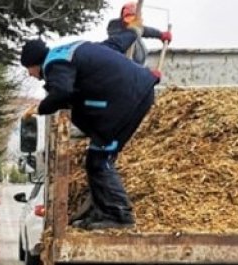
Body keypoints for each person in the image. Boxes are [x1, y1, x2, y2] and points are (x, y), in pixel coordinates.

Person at [19, 35, 158, 230]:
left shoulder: (54, 64)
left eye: (28, 69)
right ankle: (103, 211)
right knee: (99, 159)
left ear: (34, 63)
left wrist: (39, 108)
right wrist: (134, 30)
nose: (30, 74)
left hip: (124, 103)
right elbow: (113, 44)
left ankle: (119, 216)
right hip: (134, 96)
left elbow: (62, 92)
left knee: (99, 161)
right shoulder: (69, 51)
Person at [107, 2, 172, 66]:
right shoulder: (115, 25)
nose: (130, 22)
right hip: (124, 64)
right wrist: (131, 30)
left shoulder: (137, 30)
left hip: (138, 65)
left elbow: (145, 30)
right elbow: (116, 35)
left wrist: (160, 34)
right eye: (128, 18)